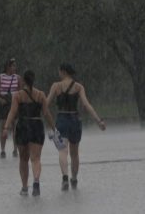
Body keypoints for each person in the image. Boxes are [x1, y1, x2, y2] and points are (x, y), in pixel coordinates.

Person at [45, 62, 105, 190]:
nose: (58, 74)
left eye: (59, 71)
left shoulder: (56, 86)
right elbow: (86, 105)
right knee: (74, 153)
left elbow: (45, 104)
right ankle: (74, 179)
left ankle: (65, 178)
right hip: (75, 120)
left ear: (63, 71)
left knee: (62, 150)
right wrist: (98, 121)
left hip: (61, 120)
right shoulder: (78, 87)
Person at [2, 69, 55, 197]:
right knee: (36, 158)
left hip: (22, 127)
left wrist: (6, 127)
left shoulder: (18, 95)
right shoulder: (40, 95)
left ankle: (25, 187)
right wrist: (54, 128)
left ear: (23, 81)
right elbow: (46, 114)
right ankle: (36, 182)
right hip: (36, 126)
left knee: (23, 159)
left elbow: (12, 112)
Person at [0, 58, 20, 157]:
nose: (15, 68)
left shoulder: (18, 78)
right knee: (3, 126)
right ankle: (3, 150)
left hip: (14, 102)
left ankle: (15, 149)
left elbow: (20, 90)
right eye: (13, 66)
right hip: (4, 104)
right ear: (8, 67)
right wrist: (0, 100)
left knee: (15, 127)